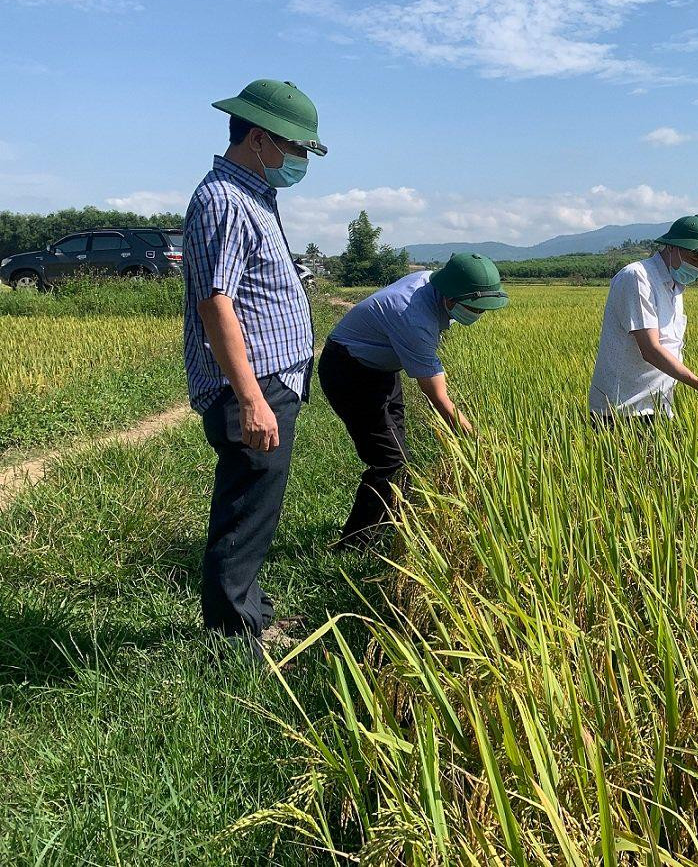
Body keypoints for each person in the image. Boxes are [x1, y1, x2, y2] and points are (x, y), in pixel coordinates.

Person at [182, 78, 327, 656]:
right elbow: (215, 302)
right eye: (294, 150)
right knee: (245, 509)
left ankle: (250, 611)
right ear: (261, 139)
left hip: (271, 380)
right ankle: (232, 637)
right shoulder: (224, 199)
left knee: (258, 505)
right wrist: (251, 399)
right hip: (254, 384)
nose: (297, 162)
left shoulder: (253, 196)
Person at [319, 253, 509, 547]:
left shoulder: (437, 284)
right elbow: (437, 396)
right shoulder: (412, 317)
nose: (479, 315)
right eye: (475, 308)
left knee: (398, 449)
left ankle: (392, 521)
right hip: (350, 371)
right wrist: (478, 443)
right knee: (390, 461)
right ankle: (356, 543)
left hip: (381, 366)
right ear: (450, 298)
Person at [589, 214, 698, 423]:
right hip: (622, 412)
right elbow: (651, 349)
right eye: (694, 258)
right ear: (671, 247)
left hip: (658, 406)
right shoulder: (638, 277)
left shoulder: (674, 287)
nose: (697, 267)